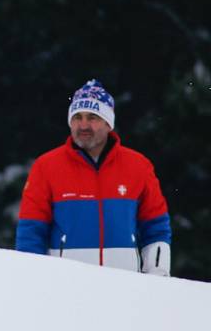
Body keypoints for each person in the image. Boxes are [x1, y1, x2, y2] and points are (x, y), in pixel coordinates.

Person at [15, 79, 172, 275]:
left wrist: (158, 272)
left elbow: (155, 226)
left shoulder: (138, 166)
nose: (83, 125)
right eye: (77, 117)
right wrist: (31, 275)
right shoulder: (46, 166)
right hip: (64, 284)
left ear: (108, 123)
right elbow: (31, 231)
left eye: (92, 117)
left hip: (126, 286)